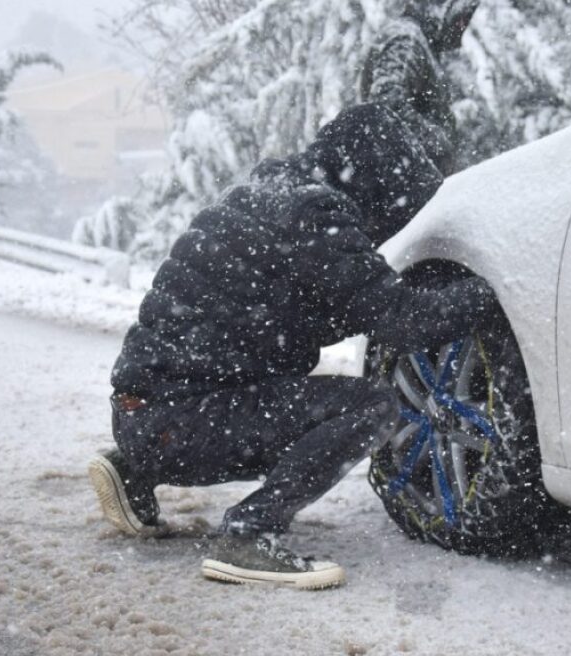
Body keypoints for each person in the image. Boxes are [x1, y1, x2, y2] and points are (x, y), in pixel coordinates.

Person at [88, 0, 488, 590]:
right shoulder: (316, 219)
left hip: (146, 413)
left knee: (271, 402)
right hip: (183, 418)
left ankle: (138, 465)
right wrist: (493, 292)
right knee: (369, 408)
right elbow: (400, 321)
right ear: (378, 184)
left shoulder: (277, 195)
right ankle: (249, 534)